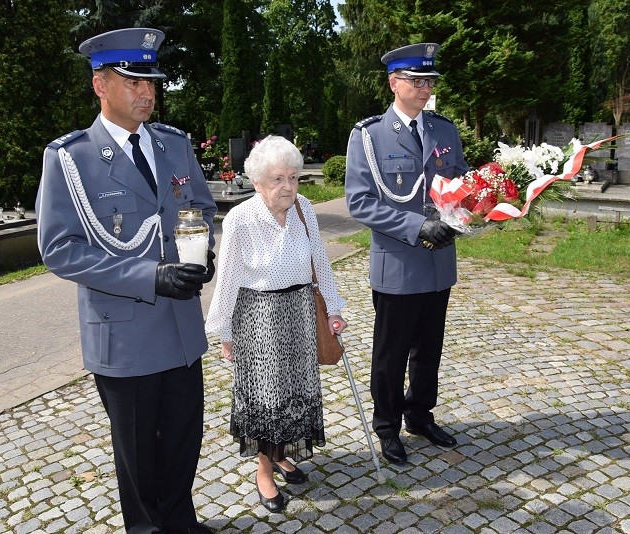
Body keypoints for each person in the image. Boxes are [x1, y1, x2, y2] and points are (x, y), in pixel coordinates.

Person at [36, 28, 216, 534]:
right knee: (138, 450)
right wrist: (148, 276)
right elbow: (59, 249)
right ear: (100, 85)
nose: (147, 93)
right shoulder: (72, 158)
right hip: (125, 330)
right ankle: (147, 529)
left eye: (151, 82)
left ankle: (180, 520)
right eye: (132, 81)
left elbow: (200, 208)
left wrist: (207, 250)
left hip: (181, 325)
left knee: (183, 435)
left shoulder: (174, 145)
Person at [205, 135, 347, 513]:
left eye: (293, 177)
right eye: (277, 179)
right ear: (257, 182)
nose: (287, 187)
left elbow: (321, 262)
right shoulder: (240, 218)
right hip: (259, 317)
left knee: (295, 393)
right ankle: (263, 473)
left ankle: (281, 457)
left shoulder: (305, 209)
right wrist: (224, 332)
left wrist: (333, 308)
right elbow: (229, 277)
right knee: (269, 402)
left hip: (300, 310)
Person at [344, 43, 470, 465]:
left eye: (430, 81)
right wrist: (418, 227)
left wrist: (474, 210)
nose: (425, 88)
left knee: (429, 348)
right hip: (398, 264)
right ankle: (387, 427)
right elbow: (360, 202)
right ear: (393, 83)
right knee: (391, 354)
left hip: (438, 265)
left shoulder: (444, 130)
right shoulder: (369, 134)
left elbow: (461, 185)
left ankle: (419, 414)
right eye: (416, 80)